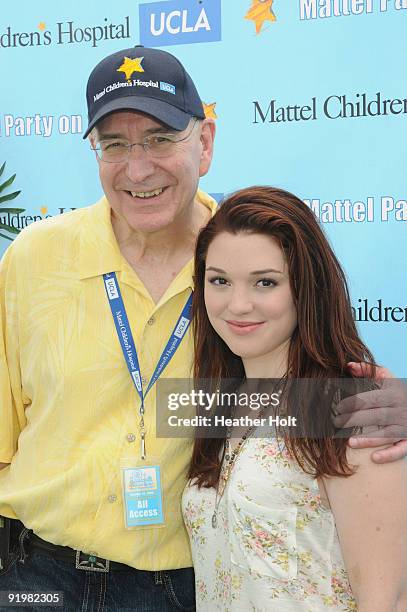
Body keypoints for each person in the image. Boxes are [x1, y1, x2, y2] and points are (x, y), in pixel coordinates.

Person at [0, 44, 405, 611]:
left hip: (177, 587)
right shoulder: (32, 258)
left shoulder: (241, 258)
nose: (138, 167)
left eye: (161, 139)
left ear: (205, 142)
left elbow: (308, 404)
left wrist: (380, 404)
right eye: (114, 145)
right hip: (33, 571)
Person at [183, 186, 407, 611]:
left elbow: (388, 599)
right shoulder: (219, 405)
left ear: (307, 288)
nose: (238, 304)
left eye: (265, 282)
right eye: (220, 281)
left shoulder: (354, 411)